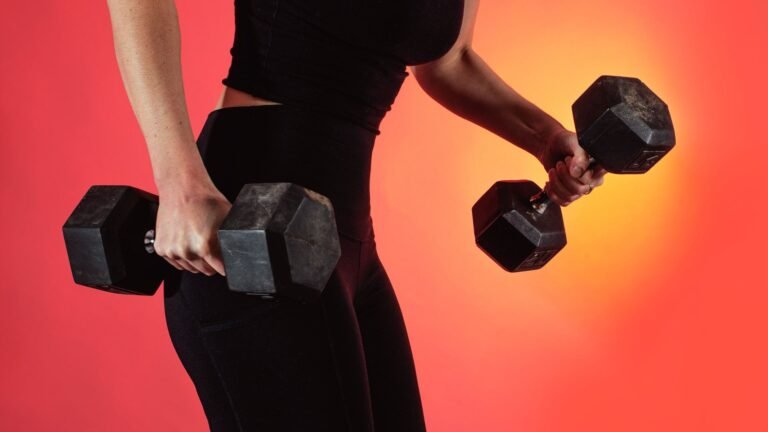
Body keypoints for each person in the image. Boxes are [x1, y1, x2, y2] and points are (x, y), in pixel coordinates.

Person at [105, 0, 607, 430]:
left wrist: (545, 137)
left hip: (344, 236)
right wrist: (179, 183)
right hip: (245, 227)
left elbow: (450, 59)